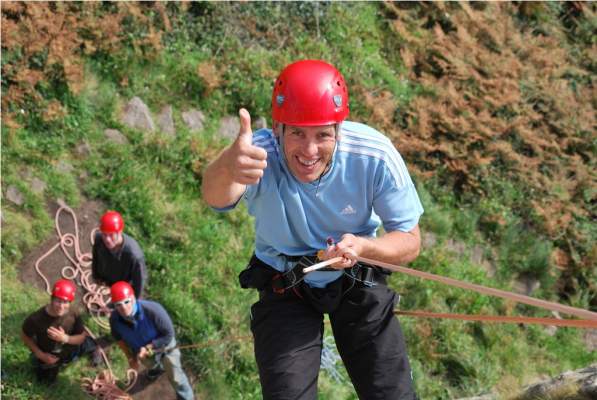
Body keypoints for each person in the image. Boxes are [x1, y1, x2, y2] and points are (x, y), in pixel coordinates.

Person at [202, 60, 424, 399]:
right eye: (296, 133)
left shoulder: (374, 156)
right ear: (278, 128)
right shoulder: (256, 156)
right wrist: (228, 167)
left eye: (322, 134)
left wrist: (365, 248)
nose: (309, 151)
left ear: (339, 128)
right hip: (285, 281)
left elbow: (409, 240)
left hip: (356, 275)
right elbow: (216, 197)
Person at [109, 281, 194, 400]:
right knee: (150, 364)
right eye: (118, 304)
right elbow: (118, 338)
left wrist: (150, 347)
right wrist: (130, 357)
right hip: (141, 351)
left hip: (165, 347)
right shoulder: (115, 320)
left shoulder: (153, 310)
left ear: (133, 298)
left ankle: (186, 397)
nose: (123, 307)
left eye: (126, 301)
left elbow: (168, 334)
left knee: (176, 377)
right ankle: (157, 370)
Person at [21, 279, 102, 384]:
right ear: (51, 299)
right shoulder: (36, 319)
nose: (61, 306)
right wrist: (40, 355)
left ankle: (94, 347)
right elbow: (24, 335)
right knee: (44, 382)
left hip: (70, 347)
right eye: (58, 301)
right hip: (49, 354)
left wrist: (65, 338)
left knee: (84, 344)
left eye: (65, 302)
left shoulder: (73, 313)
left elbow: (81, 337)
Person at [92, 210, 147, 298]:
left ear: (120, 232)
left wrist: (133, 303)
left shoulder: (134, 255)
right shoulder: (99, 239)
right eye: (104, 235)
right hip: (107, 276)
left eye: (111, 235)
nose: (107, 240)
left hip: (122, 285)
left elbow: (139, 283)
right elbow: (95, 258)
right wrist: (96, 276)